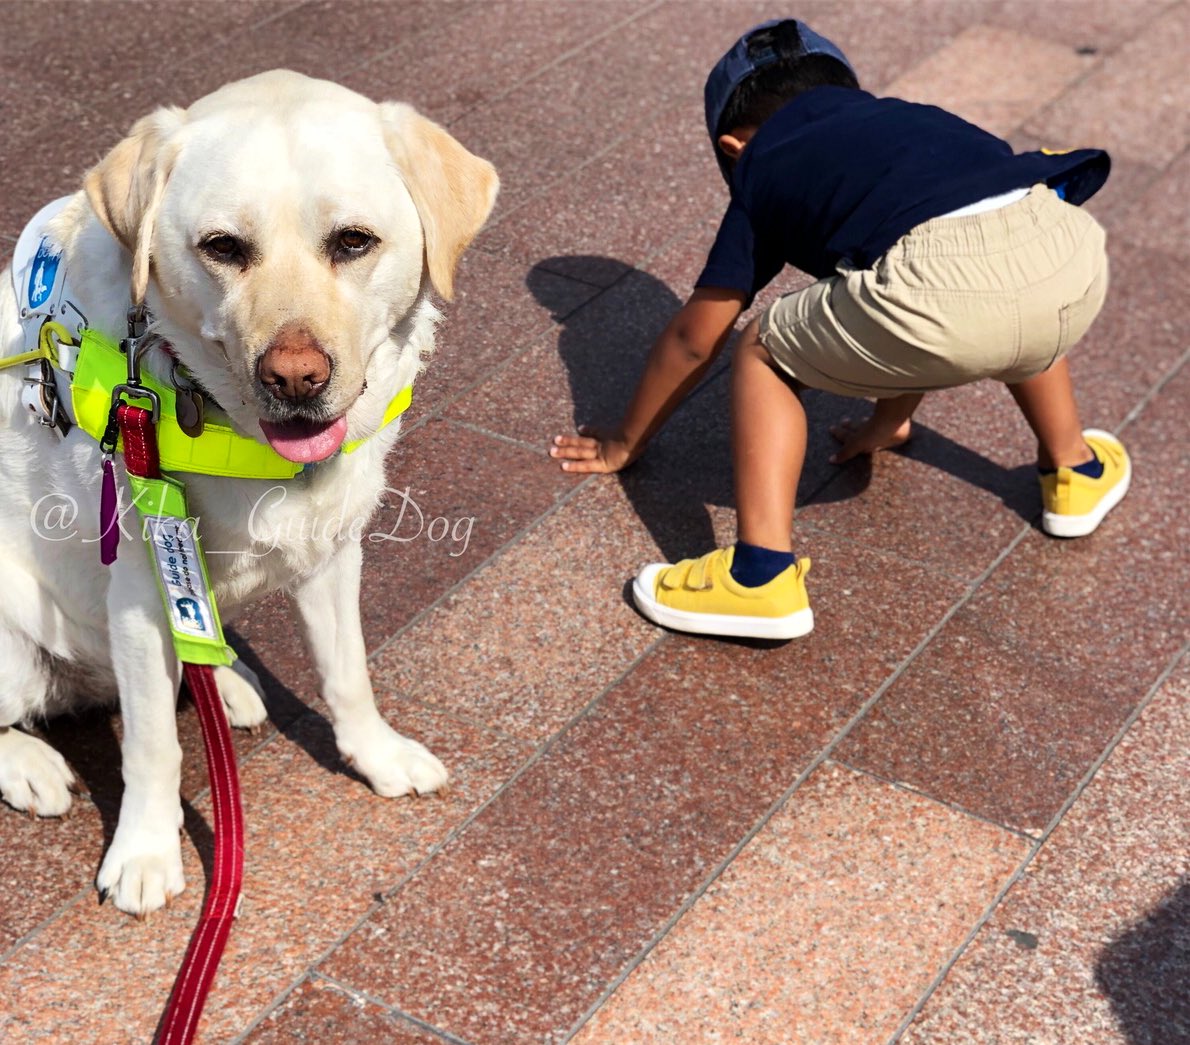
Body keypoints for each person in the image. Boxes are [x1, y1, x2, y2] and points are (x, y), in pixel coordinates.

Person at [549, 18, 1130, 641]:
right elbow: (946, 261)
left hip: (948, 294)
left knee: (765, 348)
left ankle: (759, 577)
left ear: (732, 148)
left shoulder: (763, 164)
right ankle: (1076, 473)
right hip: (1068, 254)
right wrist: (886, 421)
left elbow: (698, 336)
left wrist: (625, 442)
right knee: (1015, 290)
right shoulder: (909, 121)